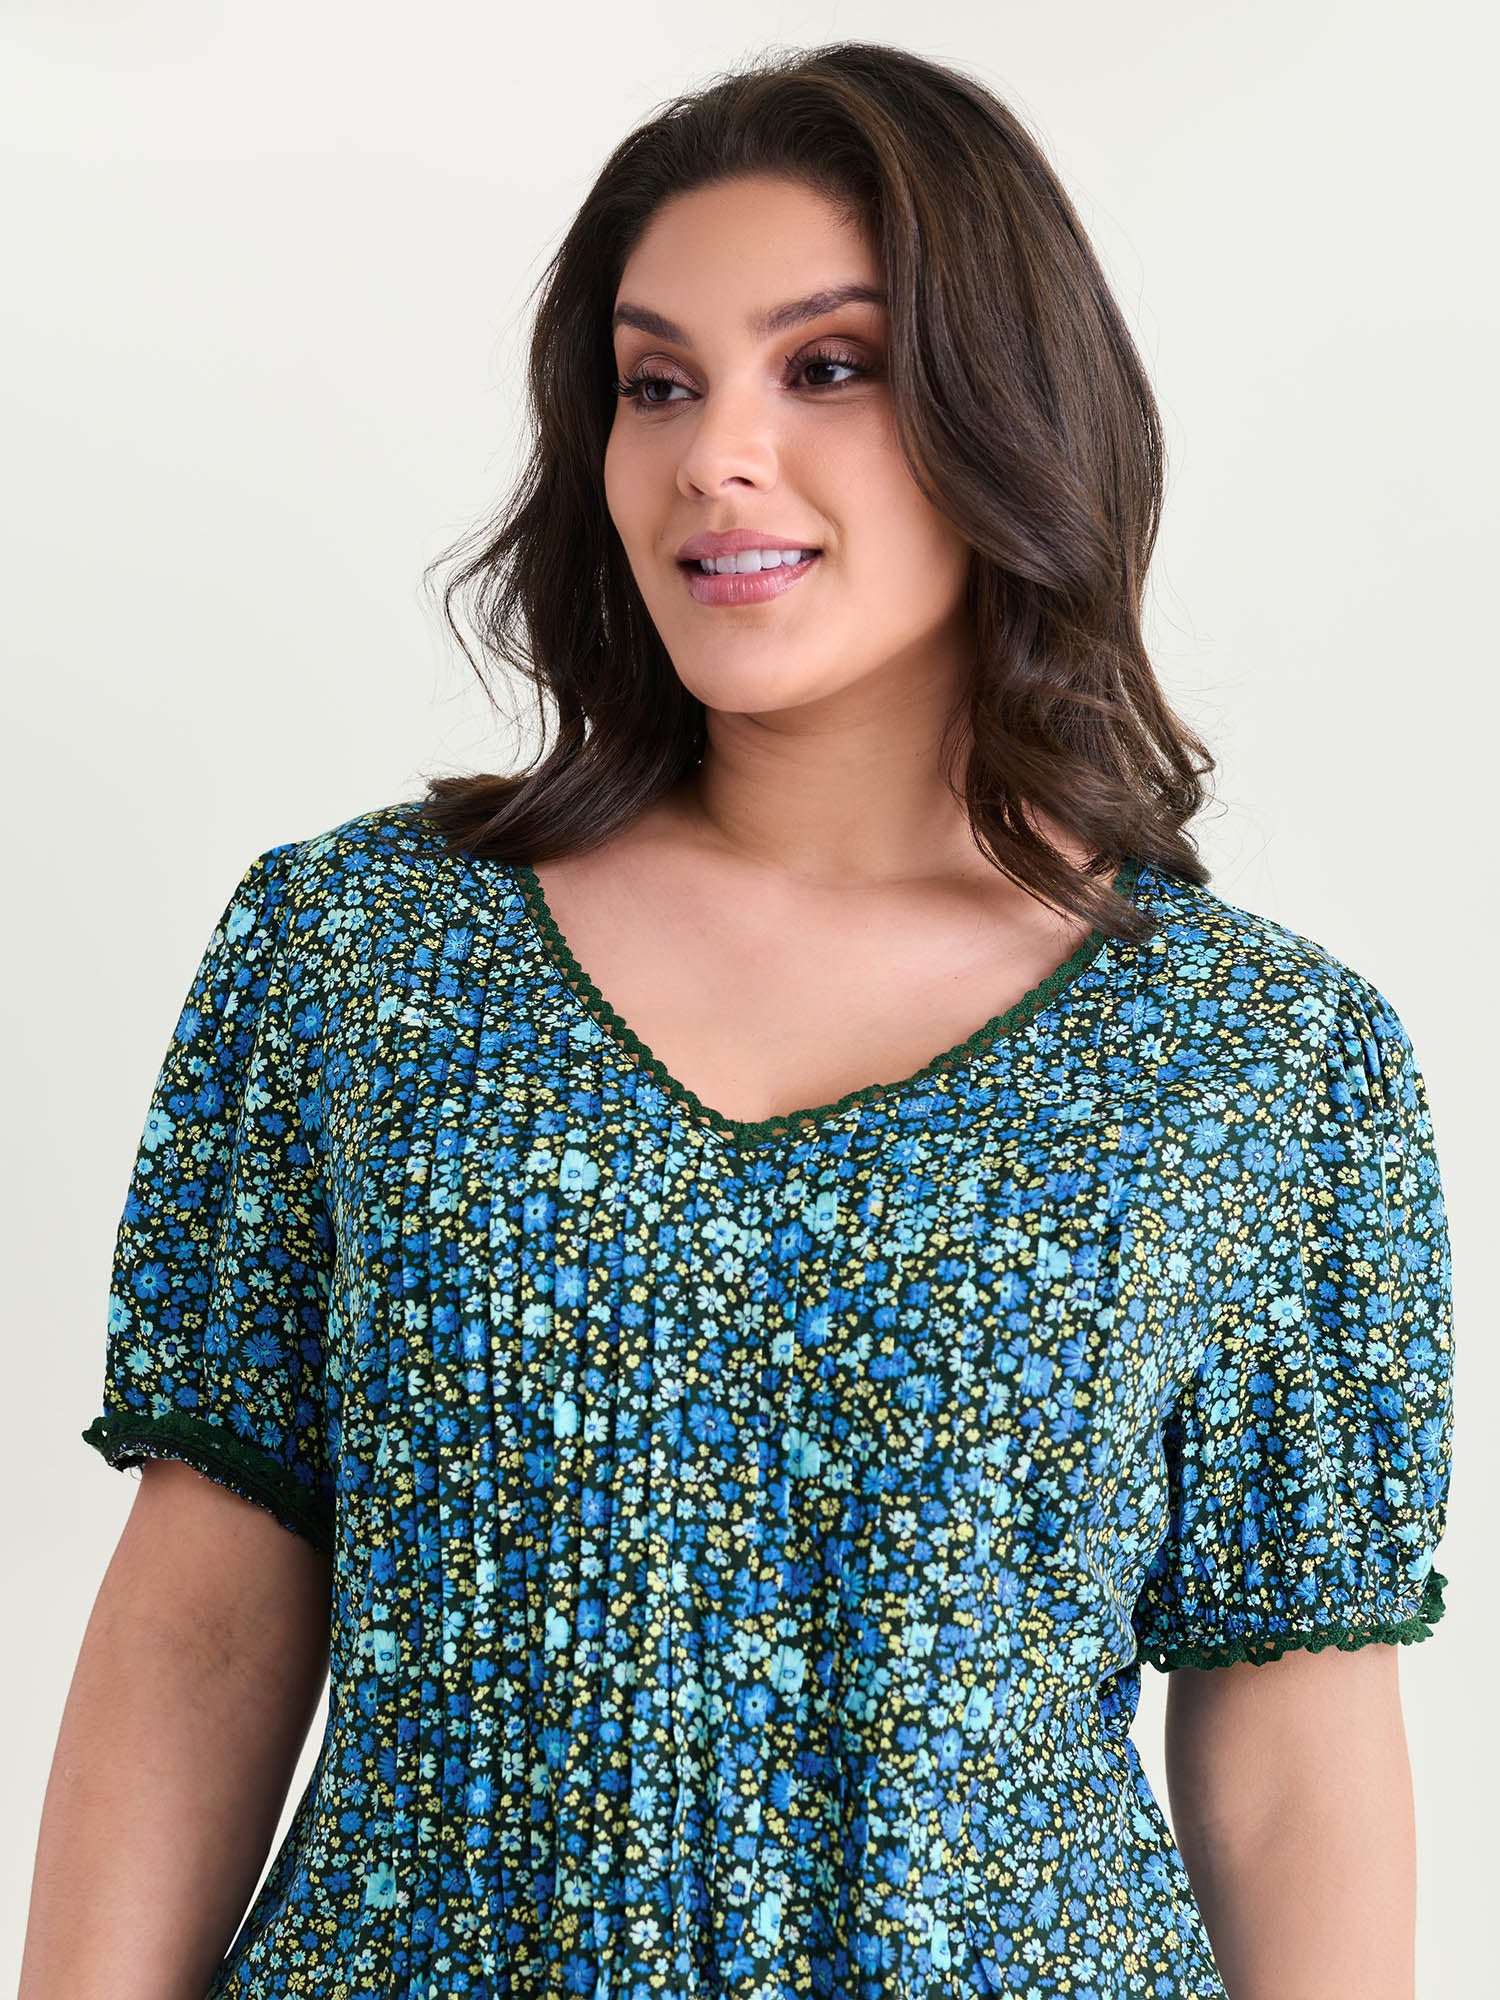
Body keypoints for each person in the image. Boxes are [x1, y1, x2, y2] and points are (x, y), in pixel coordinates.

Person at [25, 39, 1453, 2000]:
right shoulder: (357, 955)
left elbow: (1293, 1740)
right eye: (658, 383)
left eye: (828, 366)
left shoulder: (1261, 1061)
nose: (715, 455)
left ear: (1009, 413)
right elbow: (201, 1621)